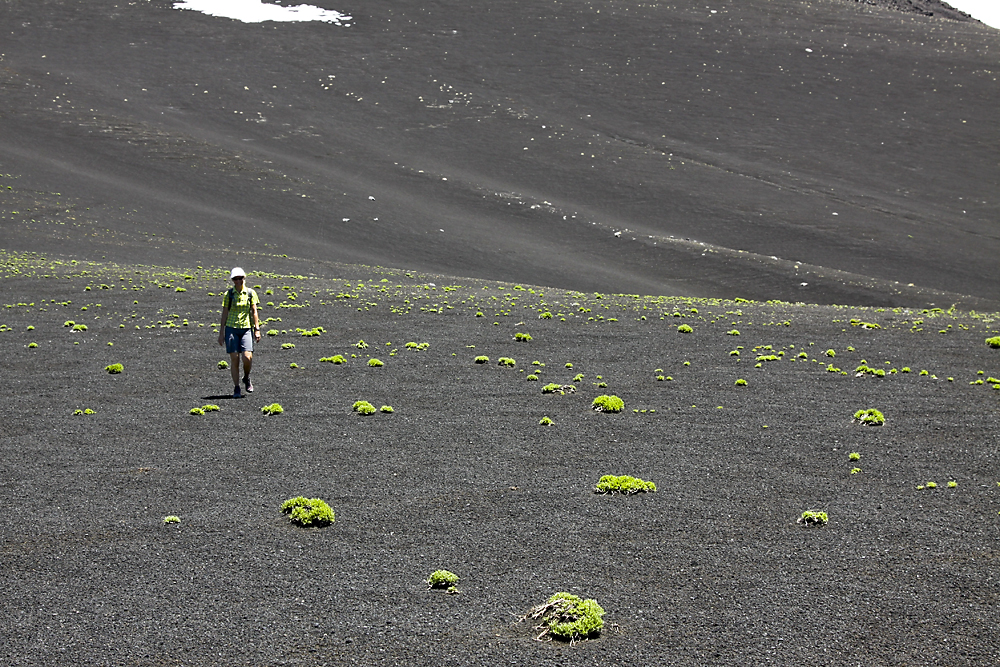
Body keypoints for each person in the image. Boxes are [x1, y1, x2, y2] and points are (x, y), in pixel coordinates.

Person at [218, 267, 261, 398]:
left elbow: (254, 311)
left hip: (246, 328)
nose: (238, 281)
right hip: (231, 328)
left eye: (240, 278)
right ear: (232, 280)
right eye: (235, 279)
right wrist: (221, 332)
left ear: (244, 278)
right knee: (234, 359)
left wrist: (257, 329)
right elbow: (225, 313)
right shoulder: (229, 294)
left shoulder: (250, 293)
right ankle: (236, 388)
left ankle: (246, 377)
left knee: (247, 357)